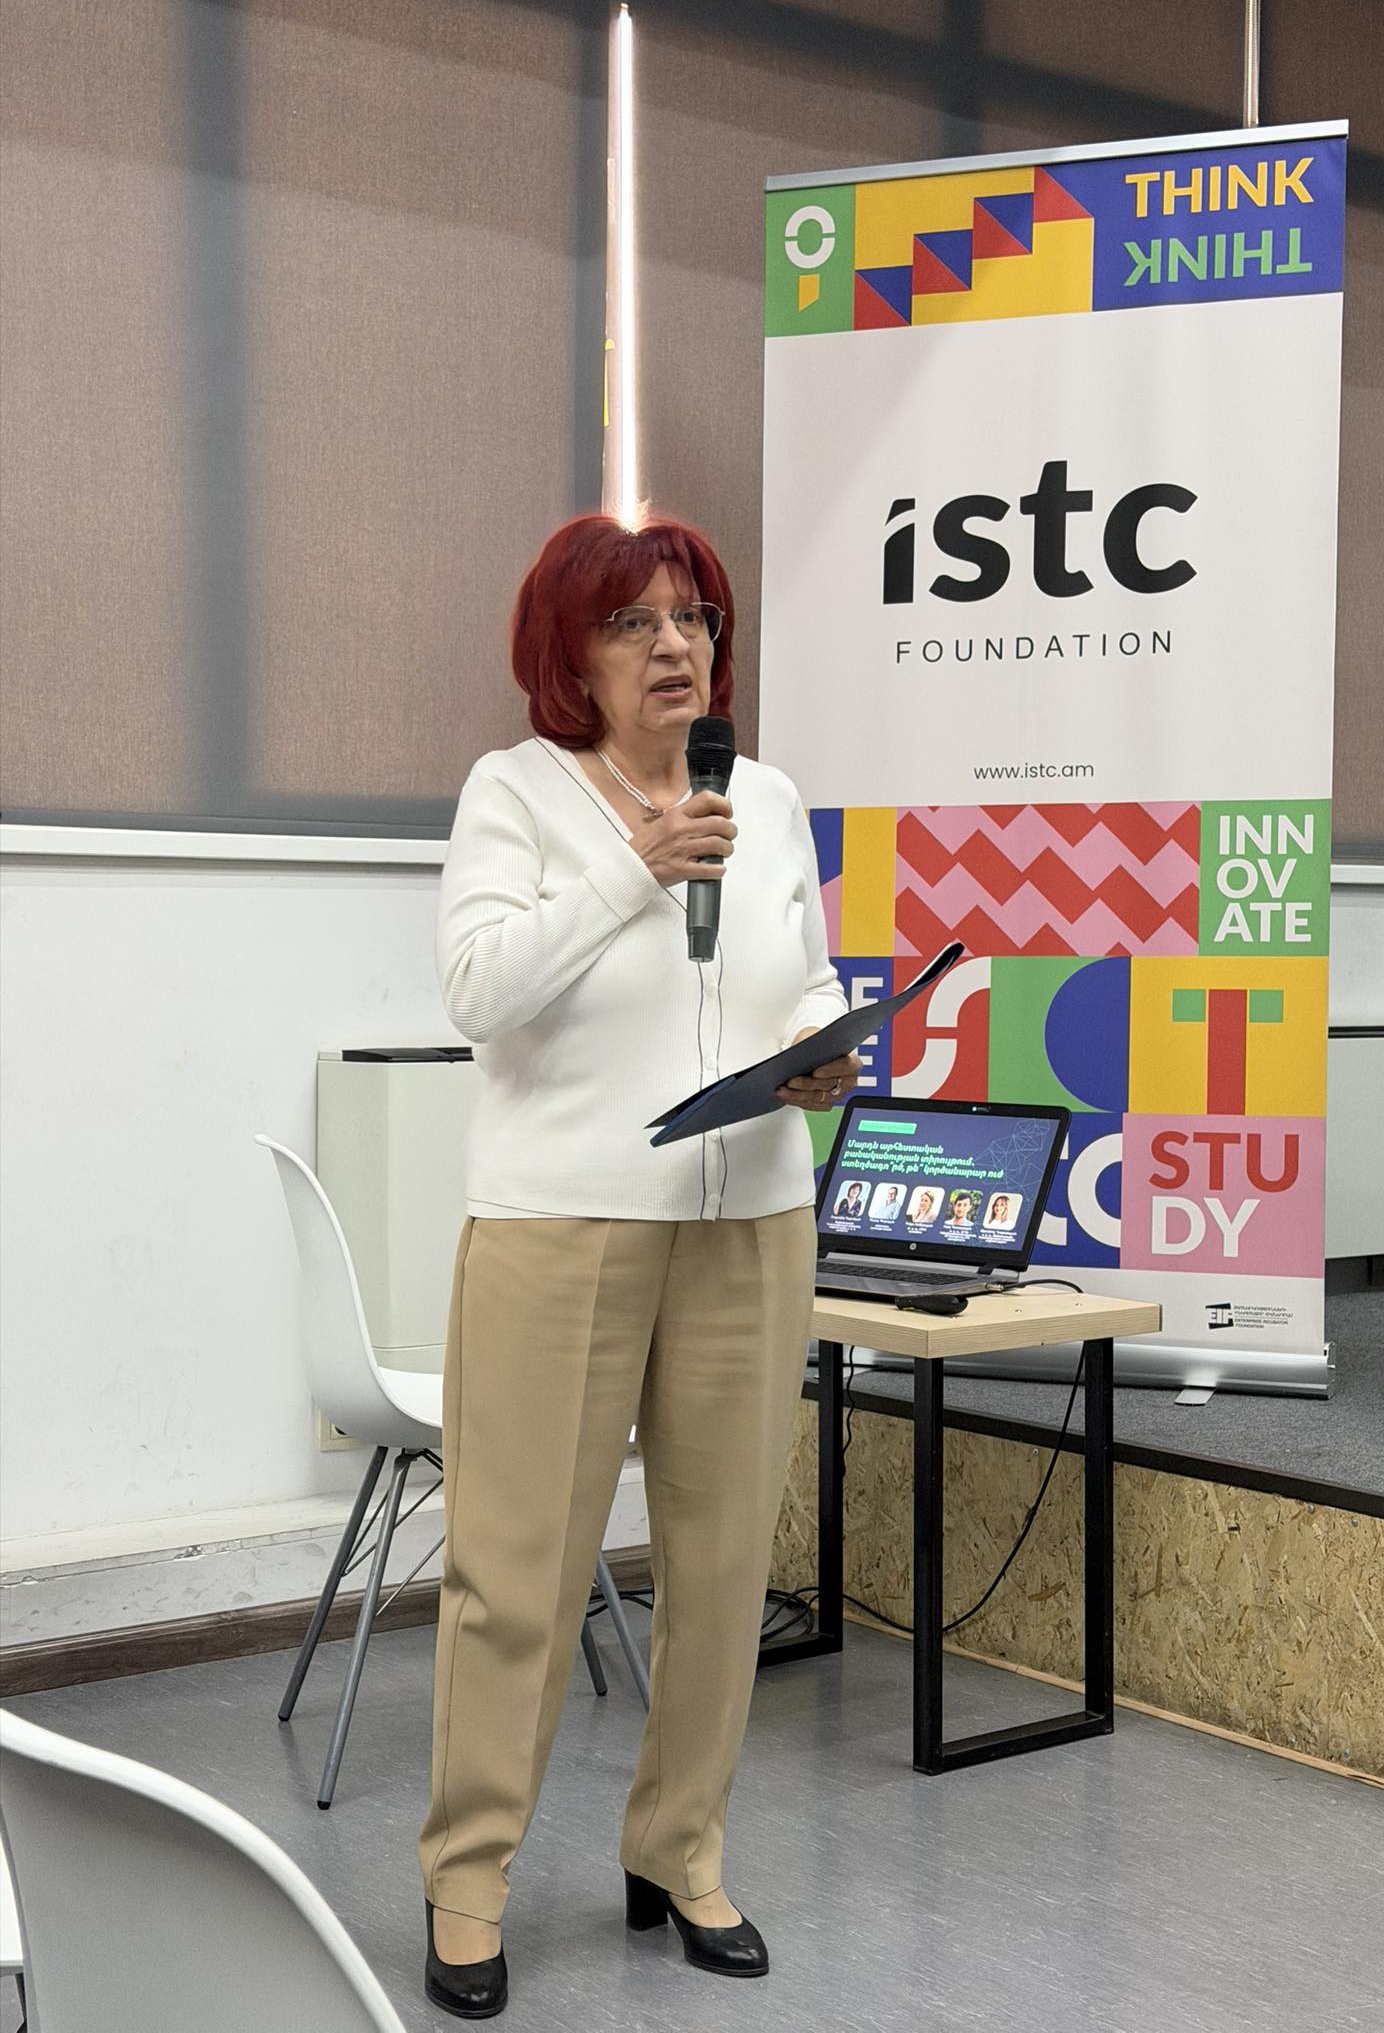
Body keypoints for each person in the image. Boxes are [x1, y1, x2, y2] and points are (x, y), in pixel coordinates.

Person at [418, 513, 858, 2019]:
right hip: (562, 1224)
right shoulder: (518, 792)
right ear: (572, 653)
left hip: (752, 1218)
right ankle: (468, 1881)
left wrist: (823, 1050)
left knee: (723, 1569)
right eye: (635, 623)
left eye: (695, 619)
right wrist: (632, 865)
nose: (676, 646)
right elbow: (479, 990)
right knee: (516, 1579)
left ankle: (680, 1852)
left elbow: (802, 975)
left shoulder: (767, 798)